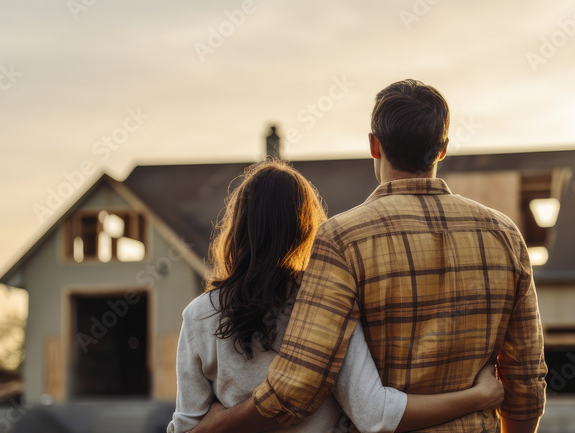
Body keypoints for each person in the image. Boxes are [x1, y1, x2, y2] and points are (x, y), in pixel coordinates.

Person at [192, 79, 548, 433]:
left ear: (374, 145)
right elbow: (525, 381)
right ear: (442, 149)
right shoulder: (505, 236)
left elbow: (297, 386)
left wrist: (217, 425)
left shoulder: (342, 239)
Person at [168, 159, 505, 433]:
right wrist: (478, 396)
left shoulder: (199, 315)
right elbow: (374, 415)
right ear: (304, 230)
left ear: (238, 227)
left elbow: (187, 427)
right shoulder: (327, 302)